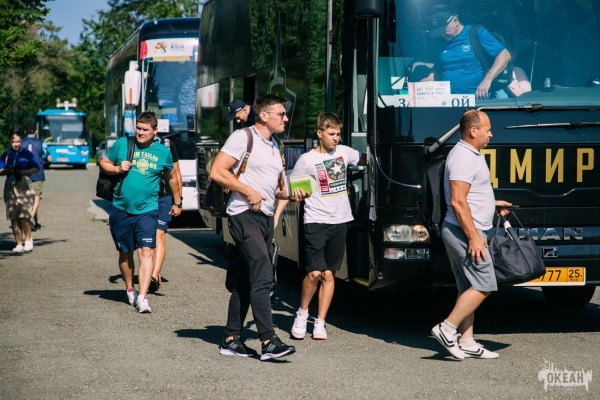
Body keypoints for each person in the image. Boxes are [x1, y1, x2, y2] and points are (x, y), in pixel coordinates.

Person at [210, 94, 304, 360]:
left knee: (244, 281)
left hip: (264, 218)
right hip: (243, 215)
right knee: (263, 274)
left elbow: (276, 190)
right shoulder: (243, 137)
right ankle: (268, 340)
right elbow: (217, 171)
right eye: (281, 114)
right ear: (264, 116)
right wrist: (248, 191)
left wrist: (293, 194)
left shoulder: (275, 145)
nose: (286, 118)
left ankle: (231, 339)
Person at [274, 112, 366, 341]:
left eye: (338, 134)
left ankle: (320, 322)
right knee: (314, 273)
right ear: (320, 133)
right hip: (315, 220)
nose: (336, 138)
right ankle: (302, 313)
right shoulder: (307, 160)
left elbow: (369, 159)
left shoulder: (345, 153)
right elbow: (291, 189)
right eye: (331, 134)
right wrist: (277, 215)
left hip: (340, 220)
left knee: (329, 274)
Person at [431, 110, 511, 360]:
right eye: (487, 129)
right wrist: (474, 237)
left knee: (468, 286)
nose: (491, 134)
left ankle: (466, 341)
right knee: (485, 284)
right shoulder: (464, 157)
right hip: (464, 231)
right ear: (473, 131)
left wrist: (491, 204)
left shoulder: (470, 154)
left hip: (466, 228)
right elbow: (457, 200)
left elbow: (469, 195)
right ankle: (447, 328)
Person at [100, 111, 181, 313]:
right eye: (138, 128)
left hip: (148, 210)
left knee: (146, 251)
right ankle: (130, 288)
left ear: (155, 131)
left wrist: (177, 201)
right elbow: (103, 163)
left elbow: (172, 177)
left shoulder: (163, 152)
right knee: (125, 253)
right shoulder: (123, 144)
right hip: (121, 208)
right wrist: (117, 169)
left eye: (145, 129)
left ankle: (143, 297)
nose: (140, 132)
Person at [426, 5, 512, 99]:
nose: (442, 35)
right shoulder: (441, 42)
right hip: (450, 100)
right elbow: (438, 68)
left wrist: (487, 80)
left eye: (444, 30)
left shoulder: (475, 33)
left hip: (478, 99)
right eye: (439, 32)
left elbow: (504, 55)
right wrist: (429, 79)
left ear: (456, 21)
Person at [149, 135, 183, 292]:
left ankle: (154, 274)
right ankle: (153, 271)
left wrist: (178, 201)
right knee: (149, 235)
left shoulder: (168, 144)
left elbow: (176, 173)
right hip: (147, 196)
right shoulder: (136, 144)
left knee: (159, 234)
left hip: (165, 196)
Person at [0, 132, 40, 252]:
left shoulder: (27, 154)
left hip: (24, 183)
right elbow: (1, 170)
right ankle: (18, 243)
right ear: (10, 142)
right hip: (10, 184)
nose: (16, 144)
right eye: (13, 142)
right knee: (13, 216)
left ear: (21, 142)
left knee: (24, 215)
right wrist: (7, 170)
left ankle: (28, 240)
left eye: (18, 142)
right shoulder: (6, 155)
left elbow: (36, 168)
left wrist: (23, 171)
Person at [21, 121, 47, 231]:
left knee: (27, 199)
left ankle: (36, 221)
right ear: (36, 131)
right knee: (36, 199)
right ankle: (29, 219)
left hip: (23, 174)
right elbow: (48, 156)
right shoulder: (41, 143)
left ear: (25, 131)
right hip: (37, 174)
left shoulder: (20, 143)